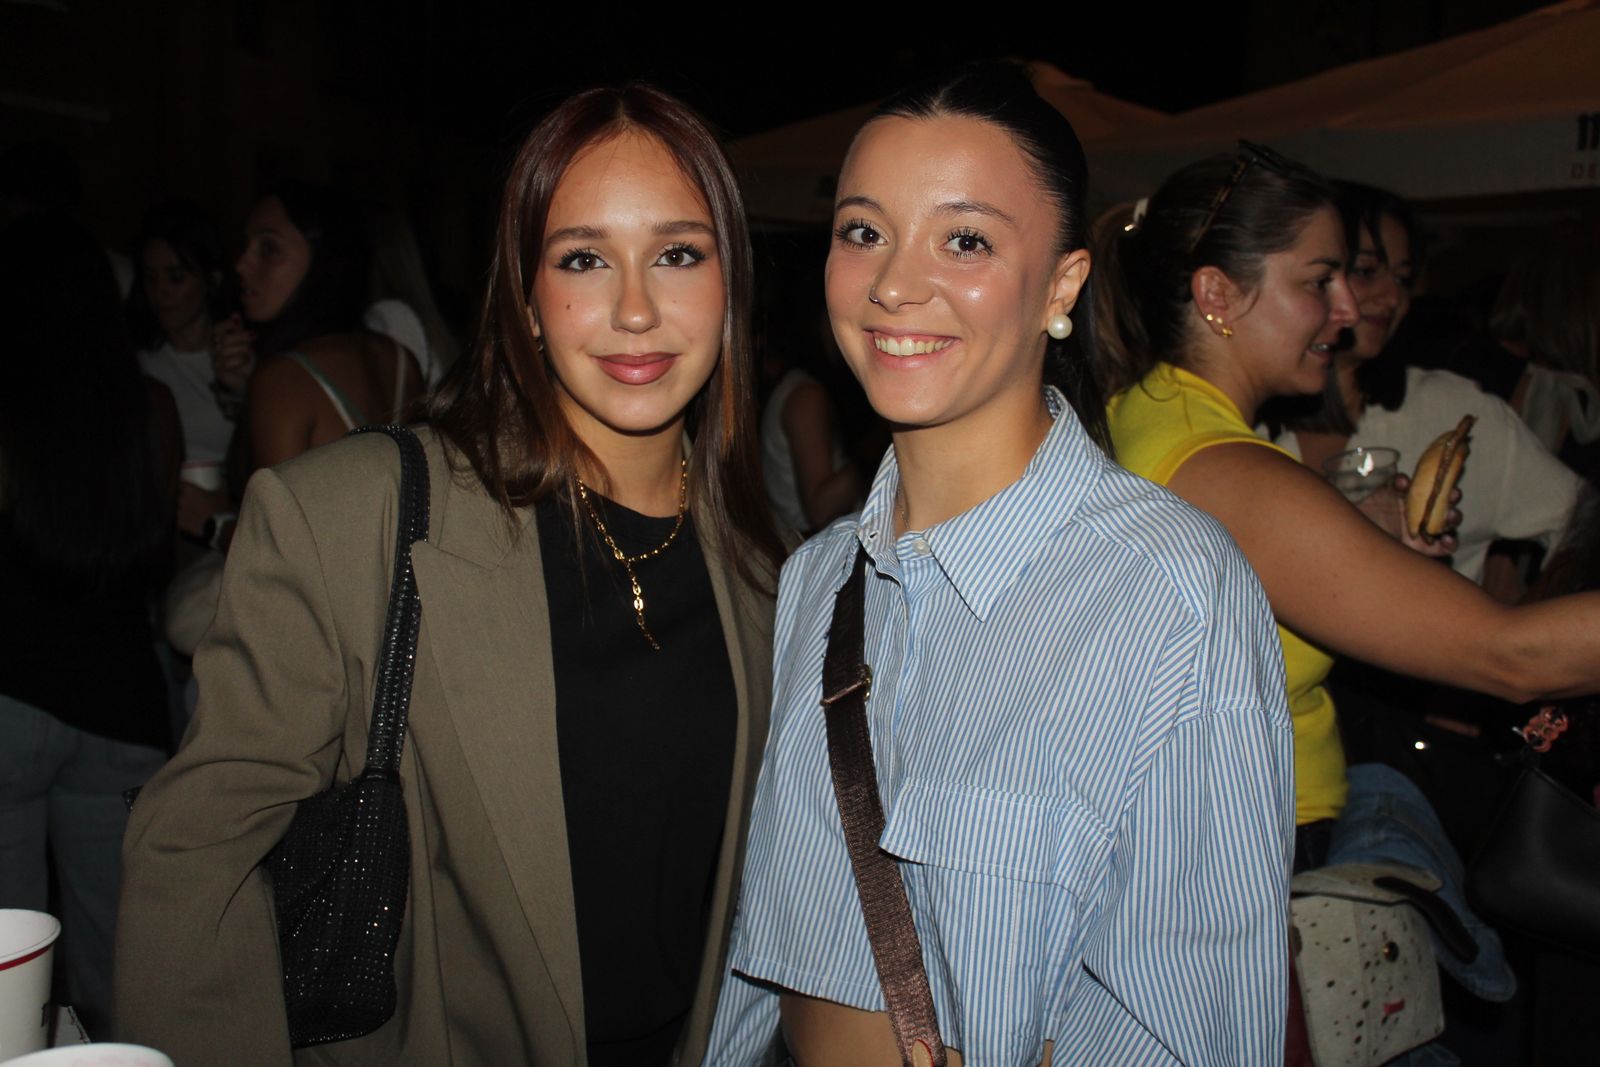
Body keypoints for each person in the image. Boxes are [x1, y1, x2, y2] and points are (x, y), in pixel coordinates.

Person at [114, 84, 784, 1066]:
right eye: (584, 257)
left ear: (732, 286)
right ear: (524, 293)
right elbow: (193, 855)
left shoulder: (774, 576)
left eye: (678, 254)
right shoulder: (353, 516)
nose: (636, 307)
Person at [707, 63, 1294, 1067]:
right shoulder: (815, 579)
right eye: (863, 231)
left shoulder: (1167, 594)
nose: (894, 281)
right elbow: (759, 972)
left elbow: (1195, 1023)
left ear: (1060, 285)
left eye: (964, 238)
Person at [1095, 144, 1600, 867]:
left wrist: (1351, 535)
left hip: (1198, 823)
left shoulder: (1145, 413)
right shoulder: (1230, 470)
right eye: (1319, 280)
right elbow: (1511, 655)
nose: (1348, 310)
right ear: (1217, 295)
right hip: (1247, 838)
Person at [0, 210, 177, 1037]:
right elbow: (157, 546)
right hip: (122, 701)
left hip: (14, 692)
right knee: (115, 955)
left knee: (8, 959)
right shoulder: (149, 406)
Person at [1272, 181, 1582, 590]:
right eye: (1366, 272)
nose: (1391, 297)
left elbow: (1580, 520)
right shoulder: (1249, 417)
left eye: (1402, 279)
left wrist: (1532, 618)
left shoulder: (1451, 409)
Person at [222, 180, 426, 477]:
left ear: (325, 258)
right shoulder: (399, 358)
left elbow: (272, 522)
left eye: (268, 248)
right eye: (246, 245)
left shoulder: (283, 378)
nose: (242, 264)